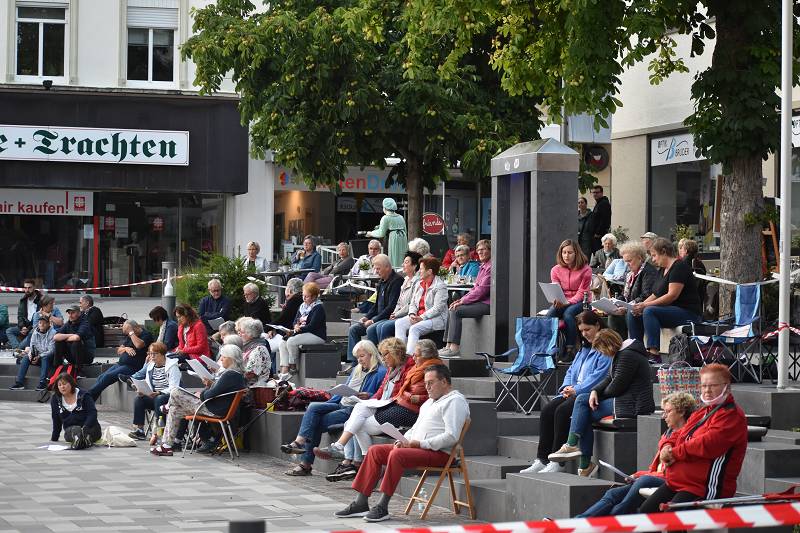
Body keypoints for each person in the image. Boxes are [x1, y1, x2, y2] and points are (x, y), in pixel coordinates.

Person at [334, 364, 469, 522]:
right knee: (375, 451)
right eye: (425, 383)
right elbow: (415, 428)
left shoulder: (455, 401)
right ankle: (361, 503)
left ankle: (382, 507)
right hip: (417, 448)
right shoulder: (429, 403)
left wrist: (419, 444)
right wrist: (402, 440)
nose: (427, 387)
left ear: (445, 382)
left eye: (431, 383)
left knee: (397, 455)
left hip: (440, 453)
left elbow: (451, 436)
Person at [639, 364, 747, 513]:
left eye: (713, 385)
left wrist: (674, 453)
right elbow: (679, 432)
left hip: (704, 487)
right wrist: (667, 446)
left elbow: (708, 444)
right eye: (704, 386)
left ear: (726, 387)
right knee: (645, 514)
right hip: (678, 482)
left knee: (672, 519)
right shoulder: (702, 411)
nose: (707, 390)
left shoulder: (731, 415)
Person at [549, 330, 656, 476]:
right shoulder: (622, 353)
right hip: (623, 400)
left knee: (582, 403)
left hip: (633, 404)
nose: (602, 353)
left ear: (608, 345)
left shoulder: (628, 355)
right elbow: (608, 378)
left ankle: (575, 449)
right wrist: (594, 391)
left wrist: (596, 395)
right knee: (583, 411)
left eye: (601, 350)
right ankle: (583, 462)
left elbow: (617, 386)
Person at [576, 392, 697, 517]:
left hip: (670, 481)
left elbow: (670, 472)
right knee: (612, 494)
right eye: (663, 412)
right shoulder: (668, 434)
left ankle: (609, 524)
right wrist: (639, 474)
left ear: (682, 412)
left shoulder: (688, 436)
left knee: (635, 491)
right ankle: (579, 521)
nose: (664, 416)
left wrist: (641, 475)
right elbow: (656, 468)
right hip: (656, 477)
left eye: (668, 411)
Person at [519, 311, 612, 474]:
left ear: (598, 325)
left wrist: (576, 389)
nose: (584, 334)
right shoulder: (583, 347)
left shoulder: (605, 345)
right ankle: (542, 459)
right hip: (574, 391)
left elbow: (599, 376)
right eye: (581, 331)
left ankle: (557, 462)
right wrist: (566, 387)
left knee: (562, 412)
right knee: (548, 410)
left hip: (592, 394)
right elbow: (571, 371)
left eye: (587, 329)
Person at [280, 340, 386, 476]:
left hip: (354, 408)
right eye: (357, 357)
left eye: (362, 356)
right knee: (313, 407)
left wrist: (368, 395)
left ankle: (305, 463)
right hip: (340, 402)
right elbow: (346, 389)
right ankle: (299, 442)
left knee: (315, 423)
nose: (359, 360)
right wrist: (337, 393)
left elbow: (380, 394)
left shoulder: (380, 372)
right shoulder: (356, 369)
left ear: (372, 354)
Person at [316, 337, 411, 481]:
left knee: (354, 424)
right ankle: (357, 459)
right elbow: (381, 390)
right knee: (359, 409)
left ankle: (354, 457)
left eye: (385, 354)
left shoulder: (405, 369)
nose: (383, 358)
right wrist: (371, 399)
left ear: (395, 353)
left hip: (396, 407)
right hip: (383, 404)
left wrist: (380, 399)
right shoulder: (390, 368)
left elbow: (402, 394)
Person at [151, 344, 247, 456]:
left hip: (213, 409)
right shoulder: (235, 375)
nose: (221, 359)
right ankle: (167, 446)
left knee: (175, 391)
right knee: (175, 410)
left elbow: (209, 395)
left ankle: (168, 406)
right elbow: (217, 391)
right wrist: (210, 385)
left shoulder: (230, 375)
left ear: (231, 359)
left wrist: (201, 393)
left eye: (223, 357)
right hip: (215, 407)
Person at [628, 237, 702, 360]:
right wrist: (638, 306)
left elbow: (672, 295)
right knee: (633, 314)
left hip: (688, 312)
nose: (653, 259)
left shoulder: (679, 267)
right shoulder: (662, 269)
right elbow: (655, 294)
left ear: (663, 252)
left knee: (649, 311)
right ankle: (637, 351)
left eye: (654, 255)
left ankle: (654, 353)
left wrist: (645, 306)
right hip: (670, 311)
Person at [440, 239, 492, 358]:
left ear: (490, 250)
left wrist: (463, 301)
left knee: (457, 310)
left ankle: (454, 348)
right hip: (480, 301)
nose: (480, 252)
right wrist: (459, 301)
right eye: (478, 250)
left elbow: (482, 290)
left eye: (483, 249)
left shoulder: (490, 267)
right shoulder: (483, 266)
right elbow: (474, 288)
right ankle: (447, 346)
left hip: (487, 304)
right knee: (452, 307)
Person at [346, 254, 403, 362]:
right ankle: (354, 363)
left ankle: (375, 361)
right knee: (354, 329)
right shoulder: (381, 282)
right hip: (378, 317)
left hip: (388, 317)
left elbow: (391, 307)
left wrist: (373, 320)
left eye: (378, 268)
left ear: (387, 267)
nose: (376, 271)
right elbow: (375, 306)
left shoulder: (397, 281)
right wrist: (367, 317)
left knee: (371, 328)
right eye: (375, 268)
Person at [546, 239, 592, 359]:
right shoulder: (555, 270)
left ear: (576, 253)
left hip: (582, 301)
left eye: (570, 252)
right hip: (563, 301)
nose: (566, 255)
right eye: (564, 252)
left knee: (568, 314)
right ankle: (551, 348)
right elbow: (556, 289)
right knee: (550, 314)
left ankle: (570, 349)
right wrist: (556, 300)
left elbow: (582, 292)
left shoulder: (586, 269)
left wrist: (567, 302)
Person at [127, 341, 181, 441]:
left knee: (159, 399)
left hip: (169, 396)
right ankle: (140, 430)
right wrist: (143, 390)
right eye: (150, 353)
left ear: (162, 354)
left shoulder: (172, 367)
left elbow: (174, 387)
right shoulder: (150, 366)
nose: (151, 356)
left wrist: (159, 392)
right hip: (155, 395)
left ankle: (159, 430)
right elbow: (148, 383)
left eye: (154, 354)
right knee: (139, 399)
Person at [88, 320, 154, 401]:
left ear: (135, 328)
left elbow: (138, 345)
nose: (128, 334)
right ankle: (90, 401)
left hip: (132, 367)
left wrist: (131, 332)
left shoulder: (146, 335)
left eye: (128, 332)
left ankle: (86, 398)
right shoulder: (130, 336)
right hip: (120, 364)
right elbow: (119, 350)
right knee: (101, 377)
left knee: (108, 377)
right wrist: (126, 348)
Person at [394, 257, 448, 355]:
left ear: (430, 271)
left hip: (436, 319)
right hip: (418, 316)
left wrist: (422, 317)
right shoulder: (420, 284)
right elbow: (413, 303)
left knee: (414, 328)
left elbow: (438, 308)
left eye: (421, 269)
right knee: (399, 323)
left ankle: (409, 357)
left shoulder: (440, 286)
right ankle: (400, 355)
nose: (419, 271)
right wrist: (412, 314)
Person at [606, 241, 658, 339]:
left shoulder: (649, 272)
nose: (627, 265)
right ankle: (618, 346)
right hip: (630, 306)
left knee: (629, 314)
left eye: (629, 261)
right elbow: (625, 295)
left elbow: (646, 295)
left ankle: (633, 346)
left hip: (641, 308)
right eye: (625, 261)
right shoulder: (629, 274)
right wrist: (614, 302)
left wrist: (627, 307)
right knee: (613, 314)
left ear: (639, 258)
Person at [277, 282, 326, 381]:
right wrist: (295, 325)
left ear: (314, 297)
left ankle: (293, 365)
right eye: (303, 295)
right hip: (302, 332)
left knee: (291, 341)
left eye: (307, 297)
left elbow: (313, 326)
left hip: (316, 335)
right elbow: (296, 320)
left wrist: (298, 329)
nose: (304, 298)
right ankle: (284, 369)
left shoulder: (318, 307)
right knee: (282, 342)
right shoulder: (302, 306)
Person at [372, 251, 421, 342]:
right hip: (398, 314)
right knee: (374, 328)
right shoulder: (405, 280)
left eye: (406, 262)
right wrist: (394, 313)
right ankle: (377, 355)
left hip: (407, 315)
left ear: (414, 266)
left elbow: (411, 304)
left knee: (383, 327)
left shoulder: (417, 282)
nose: (403, 264)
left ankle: (389, 354)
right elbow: (399, 302)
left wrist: (396, 314)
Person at [50, 372, 102, 449]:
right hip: (71, 429)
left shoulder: (84, 395)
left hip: (90, 427)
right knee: (74, 430)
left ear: (71, 383)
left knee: (89, 432)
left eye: (64, 384)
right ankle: (79, 439)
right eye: (59, 385)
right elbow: (56, 418)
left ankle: (85, 439)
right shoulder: (55, 399)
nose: (62, 387)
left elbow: (92, 413)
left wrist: (85, 427)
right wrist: (54, 437)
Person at [10, 315, 56, 391]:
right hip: (37, 356)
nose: (42, 324)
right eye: (40, 323)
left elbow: (51, 351)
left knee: (45, 357)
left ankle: (43, 383)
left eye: (44, 323)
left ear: (48, 324)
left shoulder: (53, 333)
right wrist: (31, 355)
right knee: (26, 357)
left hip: (48, 358)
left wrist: (39, 356)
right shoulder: (35, 332)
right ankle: (19, 383)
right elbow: (32, 346)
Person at [264, 277, 304, 354]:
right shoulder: (299, 299)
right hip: (291, 330)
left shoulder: (294, 300)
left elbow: (283, 319)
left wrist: (267, 328)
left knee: (266, 343)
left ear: (290, 290)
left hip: (290, 332)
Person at [366, 198, 408, 268]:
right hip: (403, 238)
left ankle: (394, 270)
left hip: (394, 239)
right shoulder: (401, 217)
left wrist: (370, 233)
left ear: (385, 208)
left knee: (394, 257)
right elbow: (405, 231)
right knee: (402, 256)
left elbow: (381, 233)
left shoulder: (385, 218)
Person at [7, 279, 41, 350]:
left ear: (34, 287)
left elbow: (40, 318)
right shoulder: (23, 300)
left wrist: (28, 328)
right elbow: (20, 316)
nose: (27, 290)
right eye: (25, 288)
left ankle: (18, 349)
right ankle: (17, 348)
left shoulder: (41, 299)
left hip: (35, 328)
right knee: (9, 331)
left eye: (29, 288)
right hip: (25, 326)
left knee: (31, 333)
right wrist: (22, 327)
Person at [239, 317, 272, 390]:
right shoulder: (248, 347)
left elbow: (250, 373)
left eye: (242, 332)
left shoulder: (259, 349)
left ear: (251, 334)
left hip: (254, 389)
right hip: (247, 386)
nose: (240, 335)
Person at [678, 238, 707, 304]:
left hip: (686, 299)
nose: (679, 251)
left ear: (686, 251)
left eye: (681, 248)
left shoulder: (682, 264)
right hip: (700, 296)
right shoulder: (699, 263)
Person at [589, 185, 611, 253]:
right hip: (596, 236)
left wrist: (598, 233)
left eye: (597, 192)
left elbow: (605, 220)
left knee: (599, 254)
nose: (595, 194)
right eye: (593, 192)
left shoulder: (604, 203)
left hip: (599, 236)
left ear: (601, 193)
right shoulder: (599, 203)